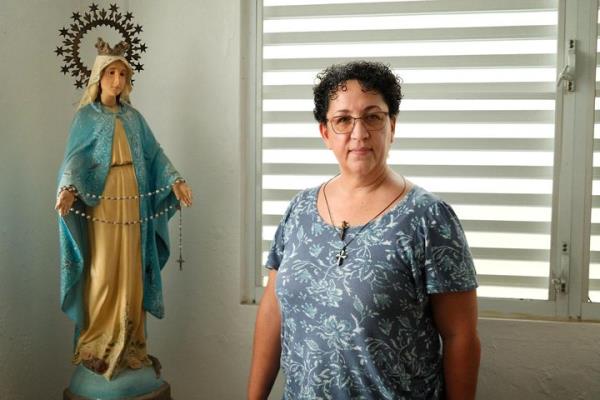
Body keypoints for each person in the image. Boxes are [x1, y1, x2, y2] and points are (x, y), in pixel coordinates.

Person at [248, 61, 480, 399]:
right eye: (343, 120)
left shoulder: (429, 218)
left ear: (392, 126)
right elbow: (272, 316)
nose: (359, 134)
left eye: (373, 117)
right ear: (325, 132)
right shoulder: (298, 211)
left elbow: (461, 337)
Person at [55, 38, 192, 380]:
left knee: (131, 269)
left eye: (122, 74)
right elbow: (75, 158)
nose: (117, 80)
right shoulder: (86, 117)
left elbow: (154, 154)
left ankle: (131, 345)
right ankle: (96, 344)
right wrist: (69, 189)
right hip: (102, 200)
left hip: (134, 196)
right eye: (111, 73)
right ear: (98, 77)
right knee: (103, 271)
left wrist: (174, 179)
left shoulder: (134, 117)